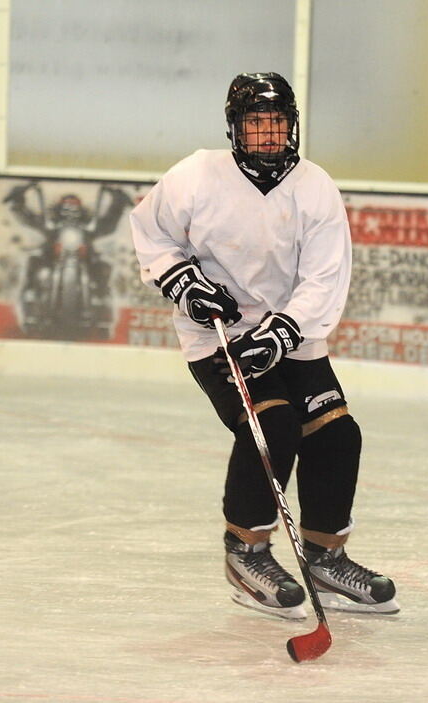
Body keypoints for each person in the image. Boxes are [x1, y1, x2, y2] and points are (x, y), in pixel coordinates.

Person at [129, 72, 398, 619]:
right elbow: (151, 232)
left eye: (278, 123)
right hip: (218, 336)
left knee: (338, 434)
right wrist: (183, 281)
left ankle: (326, 556)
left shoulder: (315, 185)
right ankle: (245, 550)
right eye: (256, 123)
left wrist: (284, 330)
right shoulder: (196, 175)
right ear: (236, 128)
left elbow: (325, 277)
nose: (269, 134)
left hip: (292, 336)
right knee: (270, 424)